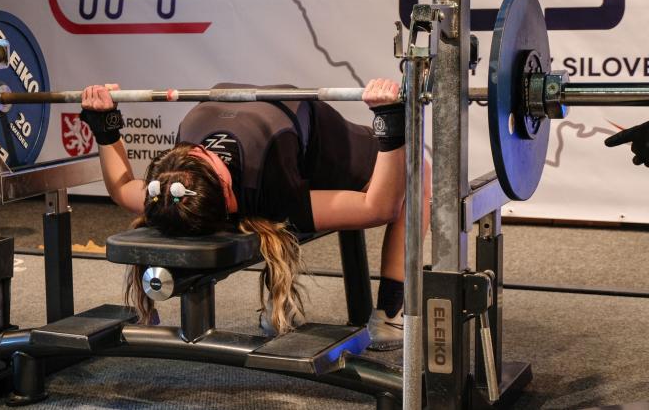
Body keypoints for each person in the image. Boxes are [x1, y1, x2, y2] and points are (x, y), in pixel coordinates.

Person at [81, 79, 430, 350]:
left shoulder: (171, 183)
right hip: (319, 147)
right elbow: (379, 207)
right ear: (227, 192)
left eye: (196, 153)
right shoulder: (271, 190)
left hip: (274, 115)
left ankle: (375, 310)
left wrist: (104, 123)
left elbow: (121, 188)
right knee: (420, 171)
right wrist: (389, 122)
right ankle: (391, 312)